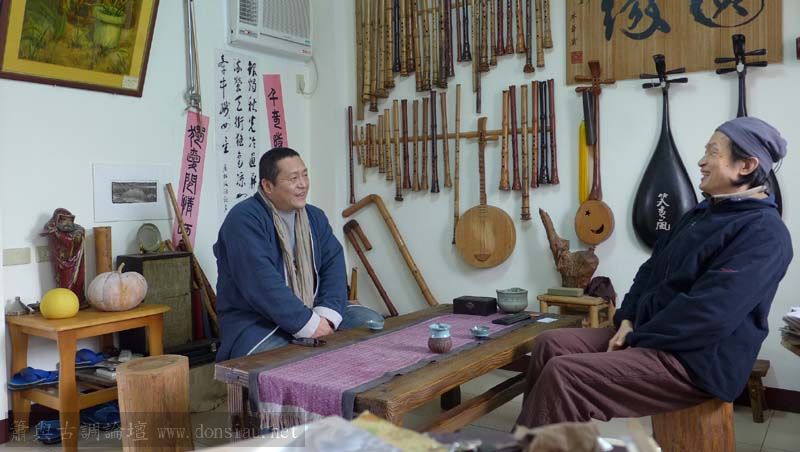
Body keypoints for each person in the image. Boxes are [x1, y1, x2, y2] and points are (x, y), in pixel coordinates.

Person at [516, 117, 792, 428]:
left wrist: (636, 337)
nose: (701, 161)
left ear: (746, 165)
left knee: (565, 377)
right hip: (650, 335)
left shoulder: (764, 233)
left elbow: (710, 314)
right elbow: (649, 270)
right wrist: (627, 319)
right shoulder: (702, 213)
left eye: (713, 152)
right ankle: (534, 439)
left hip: (696, 361)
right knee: (549, 344)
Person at [214, 147, 383, 361]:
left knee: (371, 324)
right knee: (287, 360)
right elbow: (261, 283)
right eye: (293, 178)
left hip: (313, 307)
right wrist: (307, 325)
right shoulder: (244, 219)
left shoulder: (314, 216)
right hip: (259, 320)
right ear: (268, 186)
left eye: (305, 175)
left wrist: (326, 317)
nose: (303, 184)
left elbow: (333, 265)